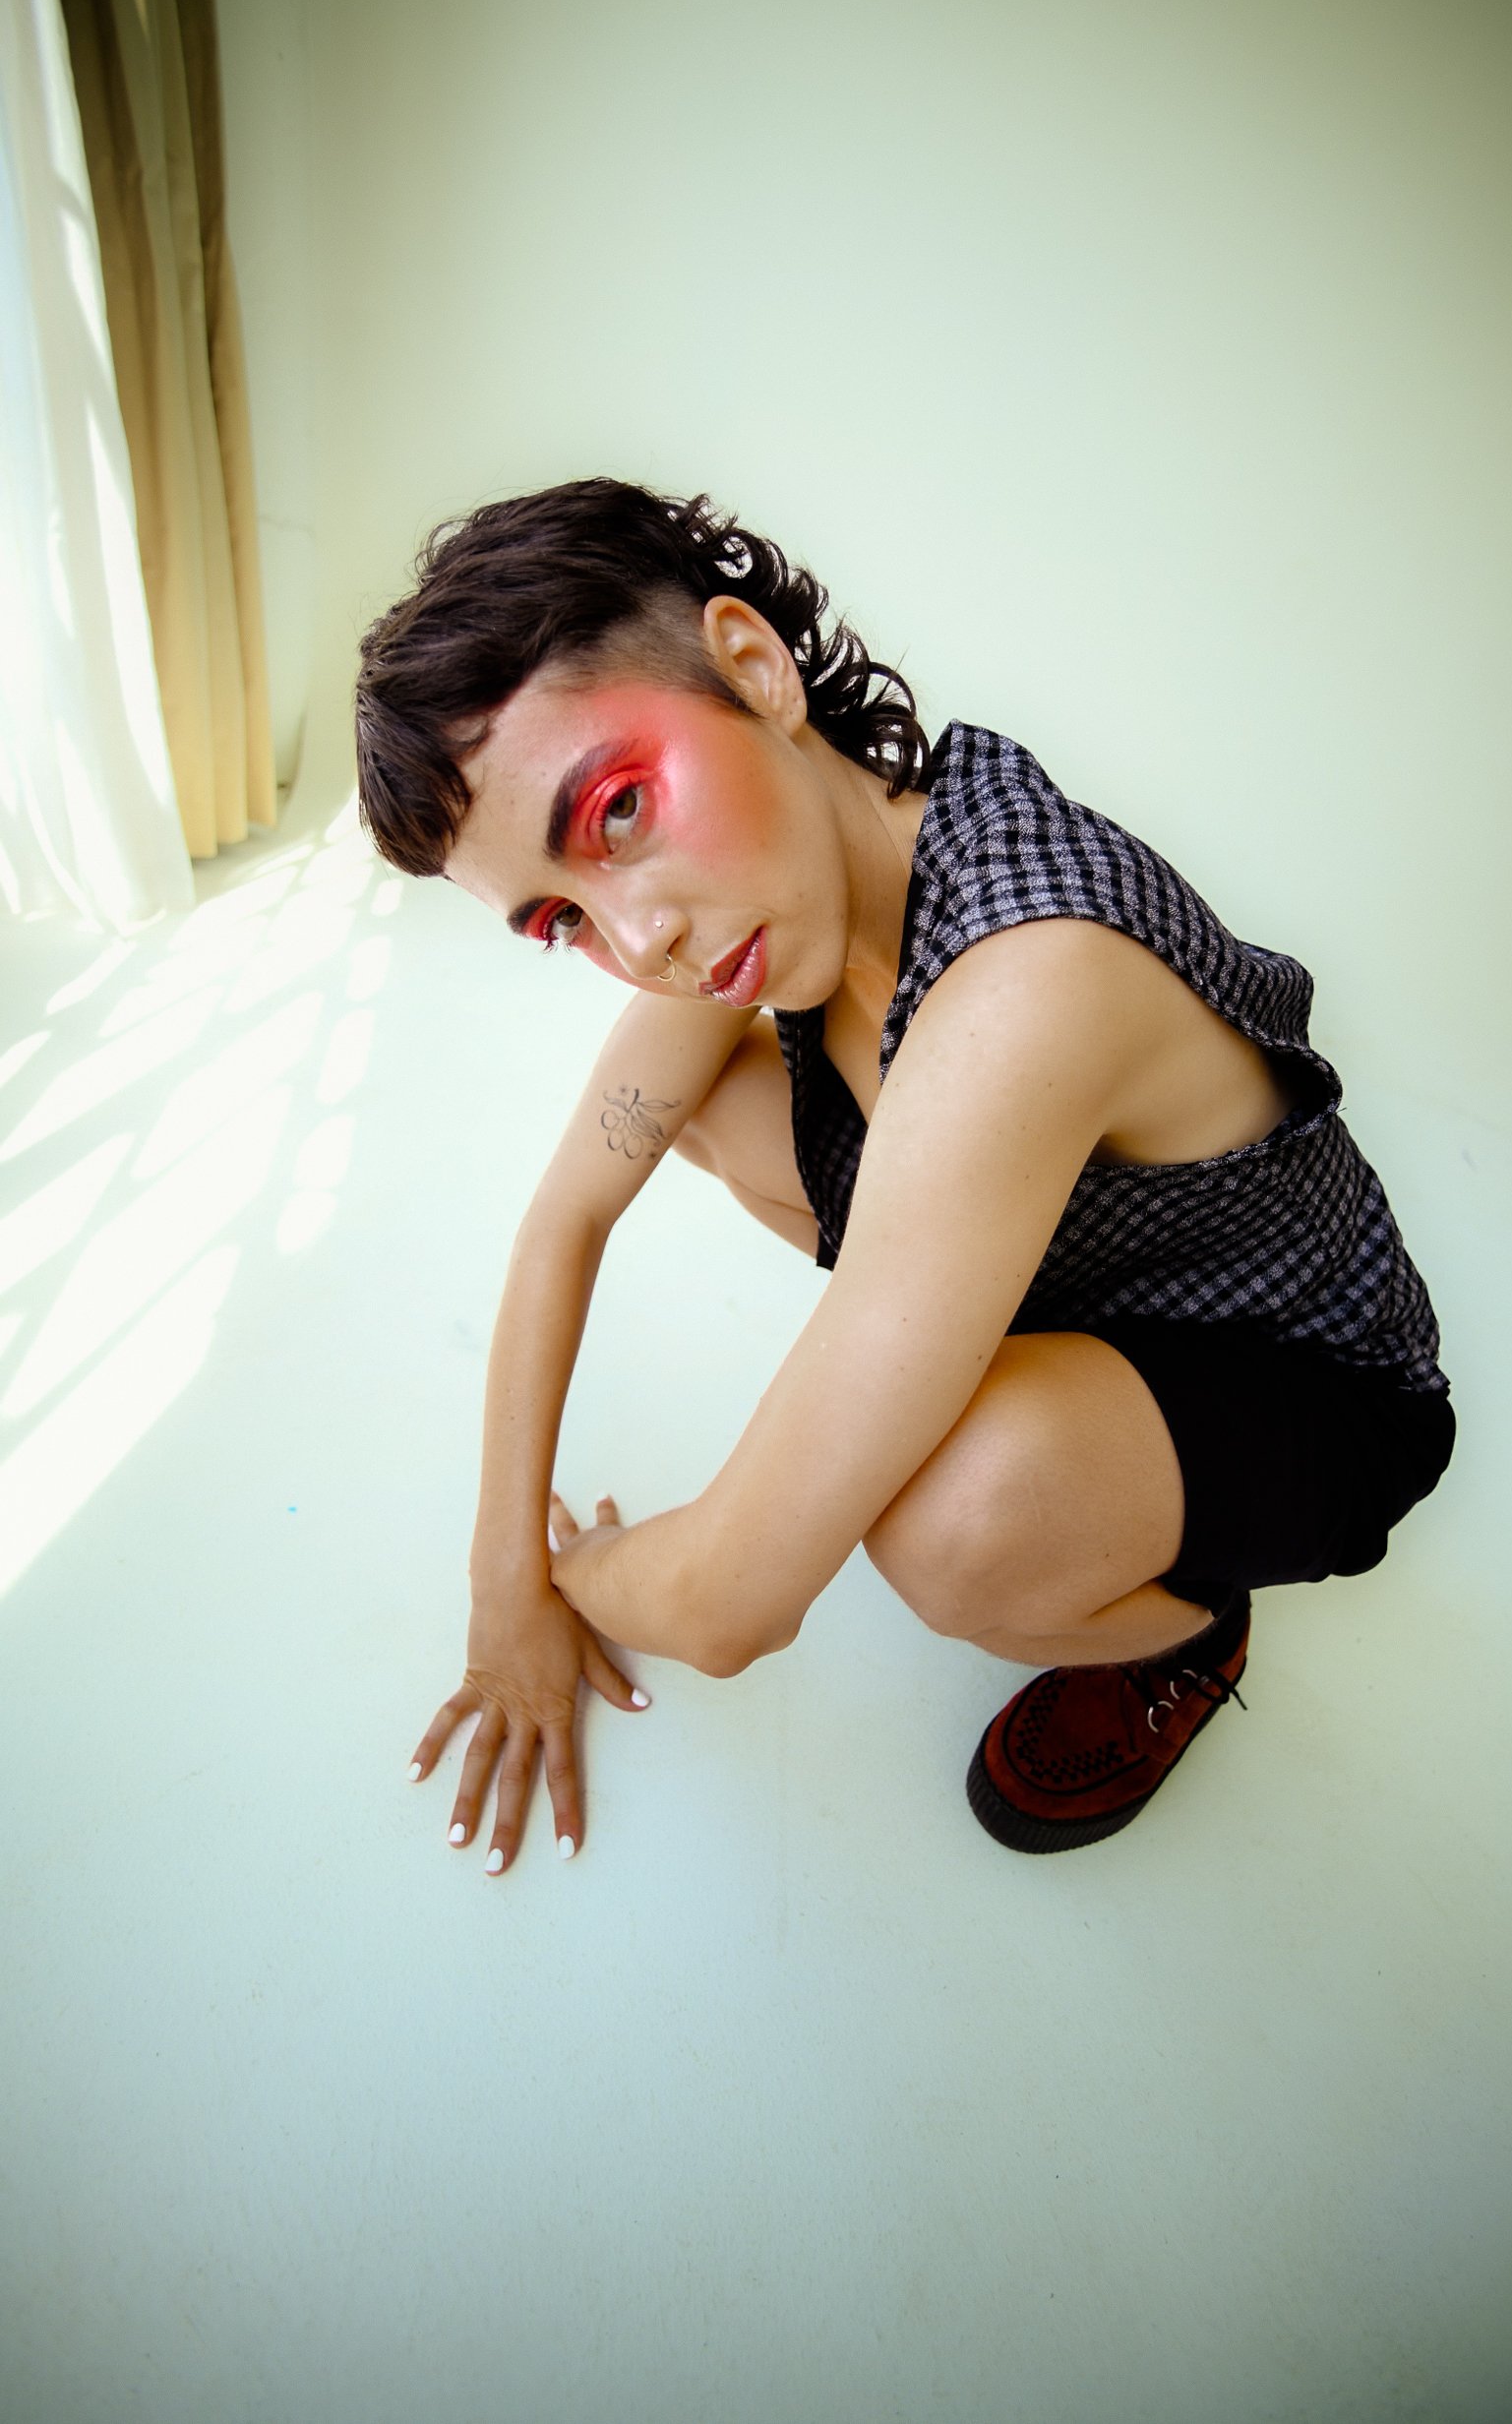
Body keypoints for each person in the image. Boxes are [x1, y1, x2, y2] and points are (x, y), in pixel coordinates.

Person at [354, 477, 1456, 1876]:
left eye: (621, 809)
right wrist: (490, 1565)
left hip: (1303, 1373)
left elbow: (728, 1606)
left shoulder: (1029, 976)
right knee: (697, 1104)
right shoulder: (769, 892)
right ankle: (958, 1347)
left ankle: (1187, 1626)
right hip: (1076, 1253)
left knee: (951, 1523)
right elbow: (569, 1211)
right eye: (561, 917)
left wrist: (559, 1583)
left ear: (753, 668)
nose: (641, 939)